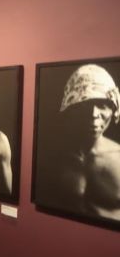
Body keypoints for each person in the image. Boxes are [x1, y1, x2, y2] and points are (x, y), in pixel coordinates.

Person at [52, 64, 120, 220]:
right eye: (85, 105)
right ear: (72, 108)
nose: (94, 114)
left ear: (114, 109)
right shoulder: (55, 157)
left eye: (102, 105)